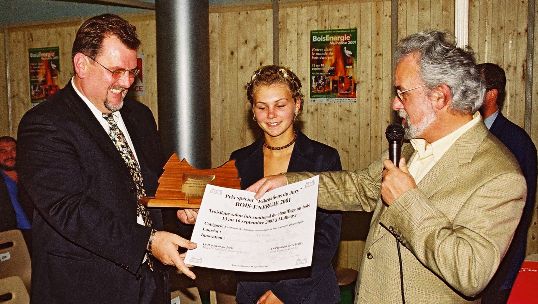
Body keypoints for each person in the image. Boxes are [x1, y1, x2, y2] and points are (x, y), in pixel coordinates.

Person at [246, 31, 526, 303]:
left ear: (439, 96)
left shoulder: (500, 175)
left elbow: (470, 271)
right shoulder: (408, 146)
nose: (395, 103)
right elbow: (357, 186)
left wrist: (406, 201)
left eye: (402, 93)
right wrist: (288, 182)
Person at [17, 14, 196, 304]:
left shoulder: (140, 117)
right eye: (116, 71)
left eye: (132, 71)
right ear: (82, 64)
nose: (126, 82)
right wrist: (148, 242)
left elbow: (154, 181)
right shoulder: (45, 124)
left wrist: (179, 207)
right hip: (85, 287)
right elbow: (68, 208)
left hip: (149, 284)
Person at [179, 65, 343, 304]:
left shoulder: (324, 158)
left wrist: (284, 293)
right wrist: (198, 217)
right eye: (262, 107)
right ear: (253, 112)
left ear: (297, 105)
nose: (271, 115)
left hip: (308, 291)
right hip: (253, 292)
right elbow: (229, 226)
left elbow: (327, 237)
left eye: (280, 105)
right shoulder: (239, 160)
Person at [477, 63, 537, 304]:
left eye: (475, 88)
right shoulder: (467, 136)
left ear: (492, 94)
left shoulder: (517, 142)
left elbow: (522, 211)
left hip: (500, 264)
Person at [0, 136, 32, 247]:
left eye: (13, 150)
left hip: (37, 234)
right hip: (11, 238)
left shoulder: (31, 176)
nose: (9, 155)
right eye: (3, 151)